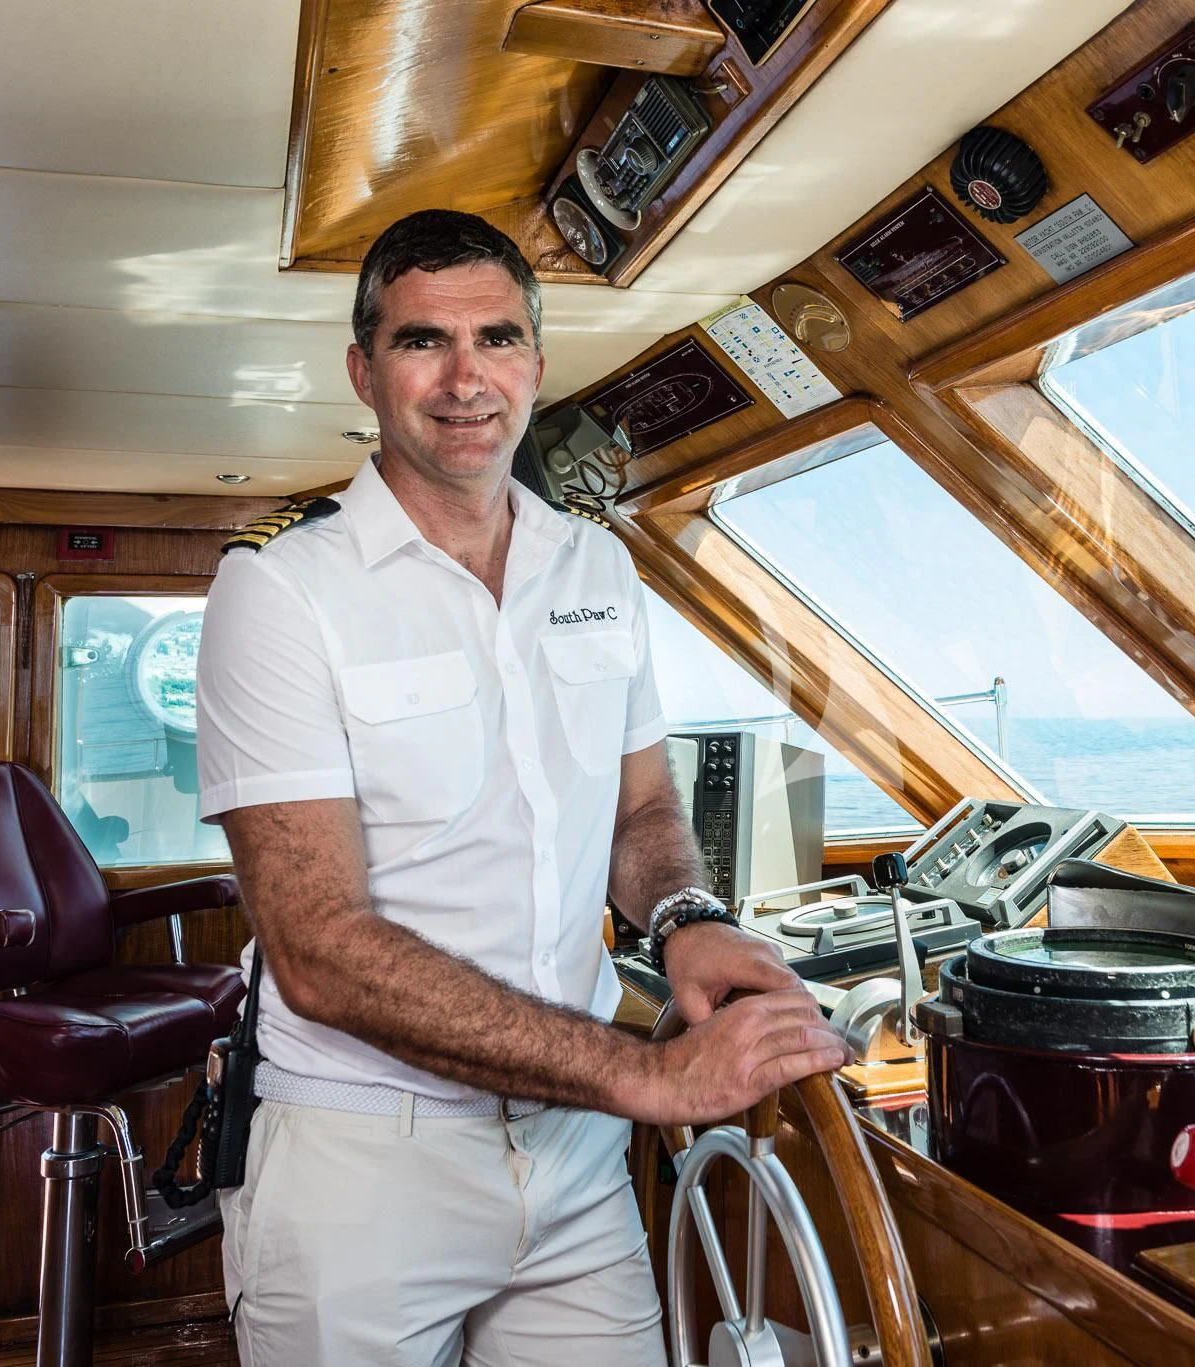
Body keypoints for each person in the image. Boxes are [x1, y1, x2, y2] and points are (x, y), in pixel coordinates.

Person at [195, 208, 849, 1367]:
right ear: (363, 369)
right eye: (419, 342)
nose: (464, 379)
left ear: (536, 367)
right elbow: (317, 948)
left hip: (574, 1155)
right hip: (363, 1156)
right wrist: (645, 1073)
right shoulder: (280, 587)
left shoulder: (595, 563)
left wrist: (687, 918)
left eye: (495, 338)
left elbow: (641, 812)